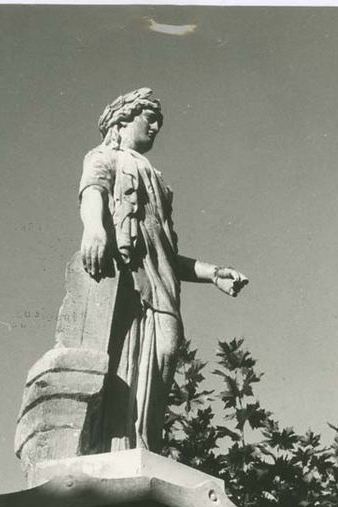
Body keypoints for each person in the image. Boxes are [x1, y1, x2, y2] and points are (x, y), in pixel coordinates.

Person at [78, 88, 248, 453]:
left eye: (159, 121)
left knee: (164, 359)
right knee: (126, 359)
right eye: (149, 118)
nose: (155, 126)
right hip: (127, 278)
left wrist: (214, 273)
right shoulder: (106, 156)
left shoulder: (157, 179)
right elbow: (92, 192)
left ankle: (144, 445)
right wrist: (93, 229)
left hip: (164, 286)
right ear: (123, 120)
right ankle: (116, 448)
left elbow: (169, 254)